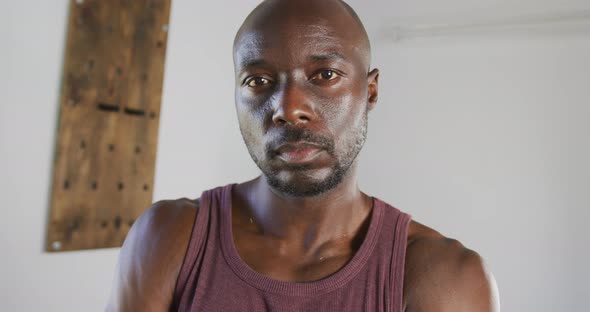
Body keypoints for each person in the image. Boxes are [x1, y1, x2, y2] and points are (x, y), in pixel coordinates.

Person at [107, 0, 500, 311]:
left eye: (325, 75)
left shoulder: (443, 277)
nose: (289, 107)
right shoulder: (168, 237)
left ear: (371, 92)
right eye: (258, 81)